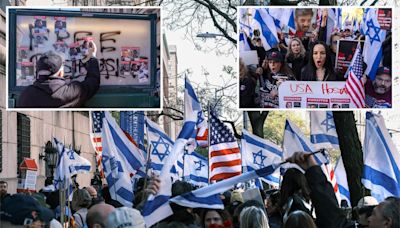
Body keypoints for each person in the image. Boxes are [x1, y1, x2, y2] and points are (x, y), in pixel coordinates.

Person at [17, 41, 100, 108]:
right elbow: (93, 82)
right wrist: (92, 57)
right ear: (60, 73)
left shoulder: (26, 95)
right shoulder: (69, 92)